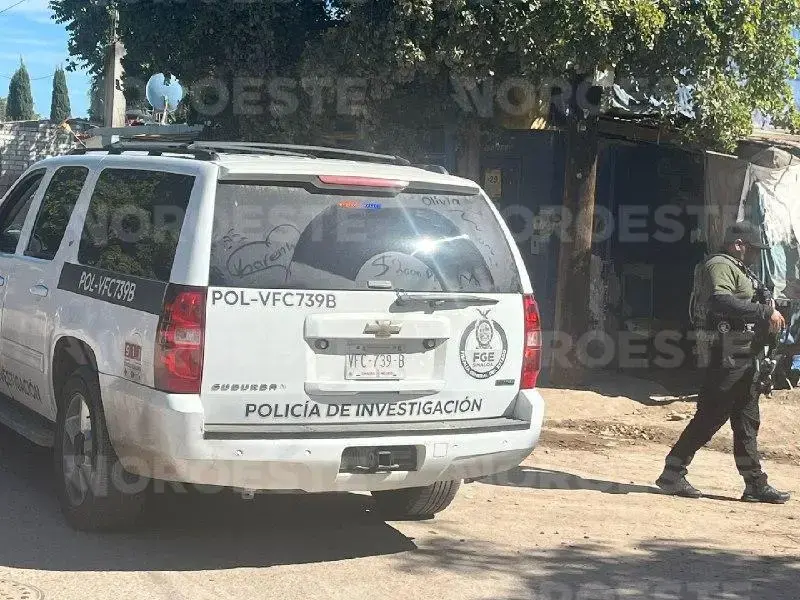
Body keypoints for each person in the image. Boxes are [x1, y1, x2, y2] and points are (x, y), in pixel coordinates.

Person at [656, 221, 791, 504]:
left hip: (745, 355)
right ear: (738, 244)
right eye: (753, 249)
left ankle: (755, 484)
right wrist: (763, 311)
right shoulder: (719, 265)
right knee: (711, 416)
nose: (756, 254)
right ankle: (672, 473)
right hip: (726, 354)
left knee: (747, 422)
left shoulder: (741, 269)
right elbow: (720, 301)